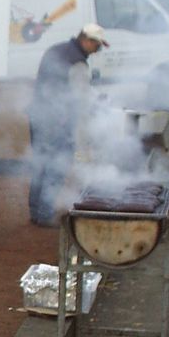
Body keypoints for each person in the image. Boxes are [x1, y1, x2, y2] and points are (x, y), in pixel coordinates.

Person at [27, 22, 108, 226]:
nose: (97, 51)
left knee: (40, 164)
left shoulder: (56, 49)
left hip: (38, 115)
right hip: (58, 122)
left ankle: (36, 212)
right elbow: (81, 99)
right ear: (87, 41)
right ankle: (45, 216)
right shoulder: (78, 63)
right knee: (56, 166)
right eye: (97, 46)